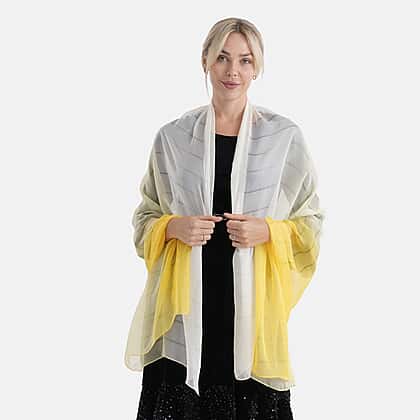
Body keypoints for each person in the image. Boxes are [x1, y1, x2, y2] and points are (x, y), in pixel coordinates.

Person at [125, 17, 324, 420]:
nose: (233, 71)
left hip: (251, 310)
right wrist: (173, 227)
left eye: (245, 60)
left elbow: (311, 223)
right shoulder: (173, 138)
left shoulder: (283, 138)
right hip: (186, 309)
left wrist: (267, 230)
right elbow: (145, 216)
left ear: (257, 67)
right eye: (222, 58)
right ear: (205, 61)